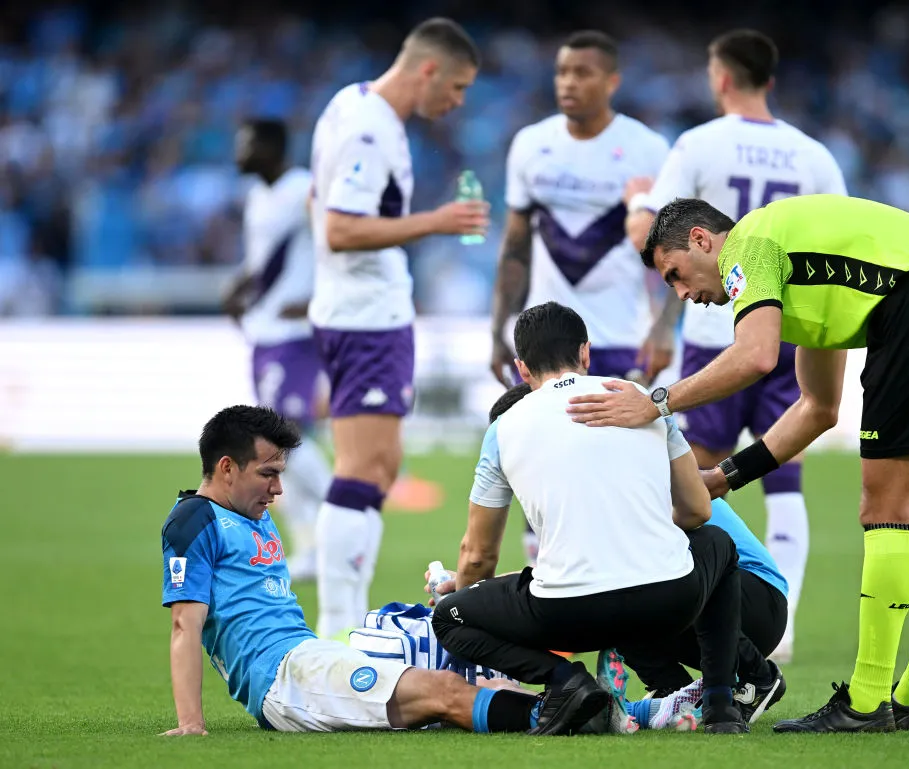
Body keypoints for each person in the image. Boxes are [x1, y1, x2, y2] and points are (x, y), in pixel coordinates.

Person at [567, 194, 909, 733]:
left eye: (676, 274)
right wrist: (724, 477)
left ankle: (867, 704)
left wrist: (655, 401)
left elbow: (755, 355)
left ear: (703, 241)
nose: (684, 294)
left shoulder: (749, 245)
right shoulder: (804, 281)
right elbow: (818, 409)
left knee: (886, 507)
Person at [433, 301, 771, 735]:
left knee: (447, 615)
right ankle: (721, 707)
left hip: (567, 618)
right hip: (669, 600)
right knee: (718, 544)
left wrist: (467, 598)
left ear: (521, 369)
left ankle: (566, 682)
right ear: (586, 353)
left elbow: (478, 556)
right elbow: (698, 511)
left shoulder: (504, 427)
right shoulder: (641, 402)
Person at [161, 404, 602, 737]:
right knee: (443, 692)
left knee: (465, 661)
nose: (278, 488)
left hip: (312, 653)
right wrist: (190, 724)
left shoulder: (252, 513)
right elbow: (185, 625)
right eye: (268, 474)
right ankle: (559, 719)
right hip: (287, 682)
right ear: (226, 468)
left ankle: (609, 710)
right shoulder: (194, 522)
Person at [624, 29, 848, 663]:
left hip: (713, 336)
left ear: (720, 78)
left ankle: (695, 599)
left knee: (696, 475)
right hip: (795, 322)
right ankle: (786, 624)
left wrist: (634, 203)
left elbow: (657, 239)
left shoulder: (698, 144)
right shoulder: (814, 155)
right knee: (787, 476)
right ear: (768, 80)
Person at [307, 18, 489, 638]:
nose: (457, 102)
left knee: (377, 467)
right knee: (363, 468)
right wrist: (436, 222)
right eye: (457, 86)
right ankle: (335, 635)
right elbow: (340, 227)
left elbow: (319, 208)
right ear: (429, 69)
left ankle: (343, 625)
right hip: (364, 315)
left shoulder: (347, 105)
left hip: (355, 309)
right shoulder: (369, 129)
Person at [474, 378, 789, 728]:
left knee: (624, 580)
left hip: (756, 598)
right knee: (611, 588)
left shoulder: (606, 460)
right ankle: (675, 692)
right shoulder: (579, 466)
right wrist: (482, 593)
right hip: (715, 587)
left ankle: (757, 676)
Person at [489, 30, 672, 564]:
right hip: (545, 340)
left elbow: (673, 248)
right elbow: (515, 247)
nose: (569, 82)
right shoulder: (531, 144)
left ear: (612, 81)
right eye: (562, 72)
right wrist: (499, 327)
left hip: (620, 335)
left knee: (625, 468)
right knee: (537, 462)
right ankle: (543, 583)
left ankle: (624, 597)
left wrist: (664, 326)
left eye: (583, 72)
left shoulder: (646, 149)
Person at [221, 118, 331, 581]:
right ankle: (310, 545)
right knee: (274, 443)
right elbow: (262, 259)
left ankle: (342, 508)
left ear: (271, 147)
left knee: (284, 432)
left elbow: (335, 244)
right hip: (263, 332)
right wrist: (239, 287)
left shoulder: (303, 187)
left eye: (245, 143)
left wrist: (316, 298)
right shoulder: (257, 198)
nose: (237, 152)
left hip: (295, 333)